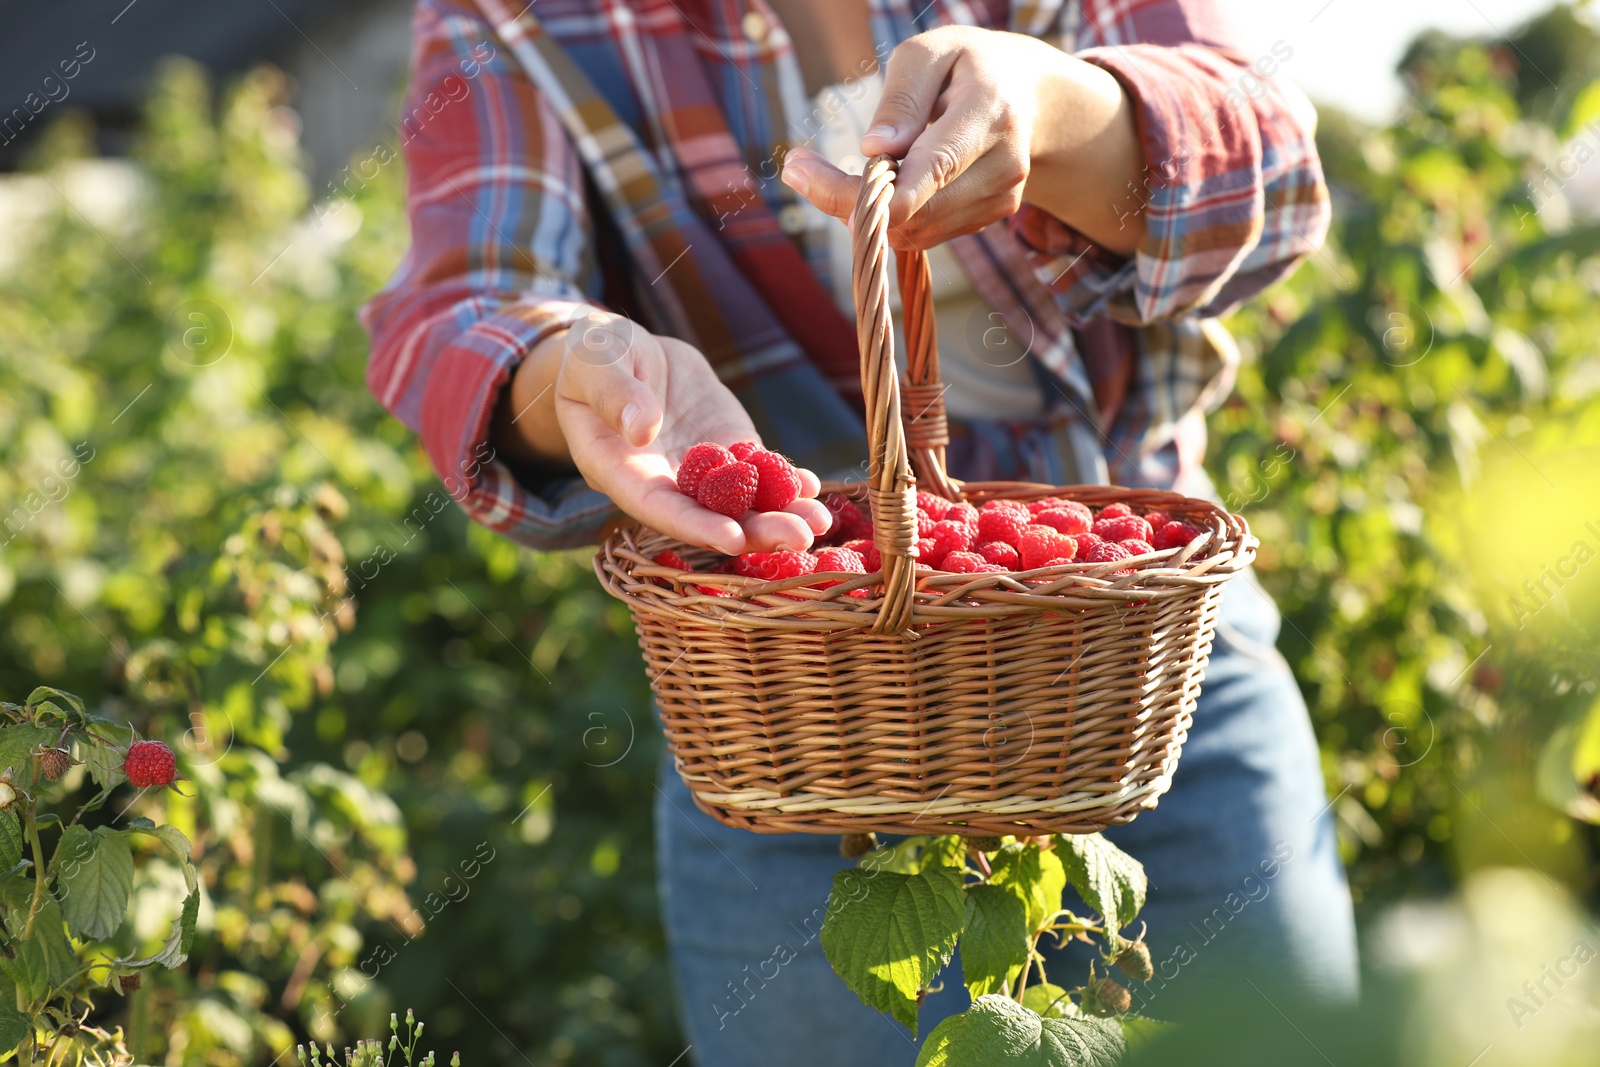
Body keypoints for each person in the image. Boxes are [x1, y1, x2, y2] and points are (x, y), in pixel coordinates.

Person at [363, 0, 1358, 1061]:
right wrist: (580, 370)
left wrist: (1057, 111)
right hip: (789, 722)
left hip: (1137, 685)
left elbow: (1276, 177)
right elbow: (469, 298)